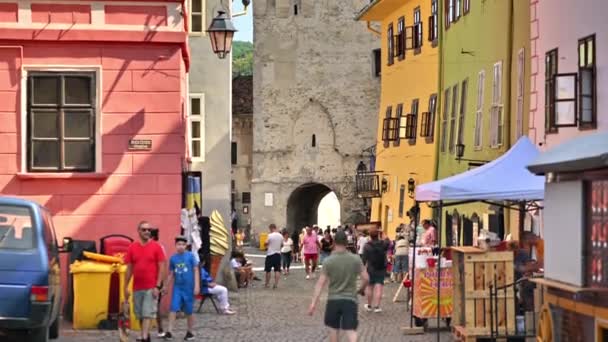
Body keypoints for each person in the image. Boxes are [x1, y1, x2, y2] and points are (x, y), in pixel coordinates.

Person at [308, 231, 369, 342]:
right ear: (346, 242)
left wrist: (313, 304)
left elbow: (320, 284)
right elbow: (366, 278)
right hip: (350, 299)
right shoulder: (355, 259)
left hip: (333, 299)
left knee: (333, 330)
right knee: (351, 330)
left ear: (334, 242)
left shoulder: (328, 261)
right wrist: (361, 289)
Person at [124, 221, 167, 342]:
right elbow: (129, 268)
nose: (147, 232)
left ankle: (143, 336)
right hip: (137, 286)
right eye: (144, 229)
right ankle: (146, 335)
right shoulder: (132, 247)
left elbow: (162, 267)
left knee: (147, 312)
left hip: (151, 286)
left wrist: (158, 286)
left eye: (149, 230)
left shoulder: (156, 247)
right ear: (138, 231)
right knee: (140, 313)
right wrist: (125, 286)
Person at [163, 236, 200, 341]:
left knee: (189, 311)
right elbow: (171, 274)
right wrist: (166, 286)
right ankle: (169, 331)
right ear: (175, 245)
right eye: (179, 244)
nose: (181, 247)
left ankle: (190, 331)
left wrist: (197, 285)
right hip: (177, 288)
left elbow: (196, 270)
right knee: (173, 308)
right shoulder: (173, 258)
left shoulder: (190, 256)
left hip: (189, 287)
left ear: (186, 246)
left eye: (183, 244)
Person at [362, 229, 389, 313]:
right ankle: (377, 307)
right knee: (379, 287)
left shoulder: (367, 246)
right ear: (378, 235)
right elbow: (388, 241)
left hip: (371, 268)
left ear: (370, 236)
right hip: (381, 268)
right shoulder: (383, 244)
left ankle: (369, 305)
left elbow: (364, 259)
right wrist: (383, 233)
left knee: (370, 287)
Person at [264, 224, 283, 289]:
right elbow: (282, 244)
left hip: (270, 254)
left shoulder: (270, 235)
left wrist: (266, 245)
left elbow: (265, 243)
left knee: (268, 270)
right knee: (277, 270)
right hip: (278, 254)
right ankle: (275, 284)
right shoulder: (280, 236)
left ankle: (267, 284)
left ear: (271, 228)